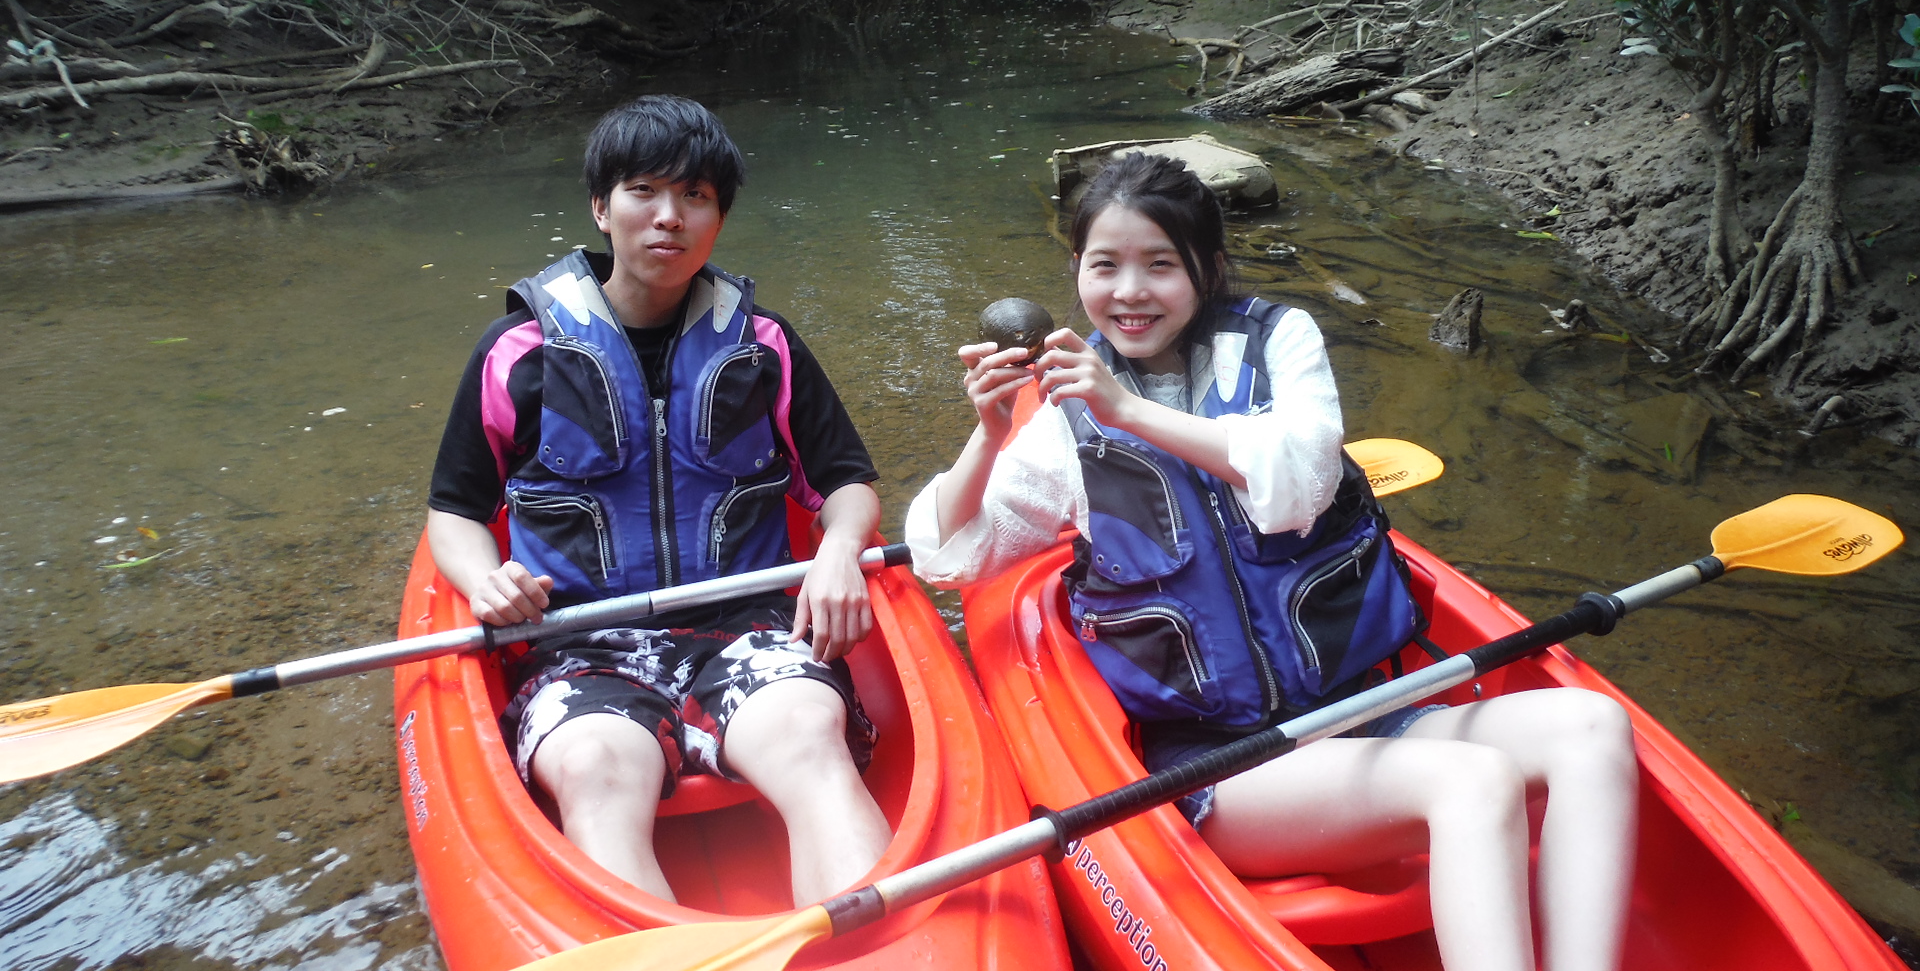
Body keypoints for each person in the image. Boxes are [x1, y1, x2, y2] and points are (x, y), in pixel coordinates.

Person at [906, 151, 1638, 971]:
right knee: (1474, 784)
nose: (1130, 292)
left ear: (1207, 267)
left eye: (1160, 264)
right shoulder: (1065, 414)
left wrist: (1130, 410)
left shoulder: (1280, 340)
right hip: (1224, 765)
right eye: (1105, 266)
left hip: (1362, 706)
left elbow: (1298, 484)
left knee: (1593, 726)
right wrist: (991, 431)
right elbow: (950, 553)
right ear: (1077, 269)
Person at [426, 94, 891, 907]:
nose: (668, 218)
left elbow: (845, 483)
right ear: (602, 208)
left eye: (696, 197)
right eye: (644, 192)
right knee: (595, 771)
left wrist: (841, 551)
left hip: (744, 629)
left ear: (718, 218)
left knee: (814, 739)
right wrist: (482, 581)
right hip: (579, 644)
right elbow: (457, 511)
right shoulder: (519, 354)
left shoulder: (764, 345)